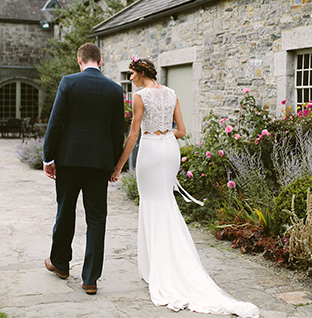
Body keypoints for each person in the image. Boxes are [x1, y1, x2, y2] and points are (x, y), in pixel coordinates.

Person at [111, 57, 259, 318]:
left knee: (152, 203)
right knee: (165, 201)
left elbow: (133, 135)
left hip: (150, 151)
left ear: (142, 72)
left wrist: (118, 167)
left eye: (132, 73)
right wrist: (165, 134)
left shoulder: (140, 96)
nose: (131, 77)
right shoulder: (172, 93)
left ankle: (156, 269)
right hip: (170, 150)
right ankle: (165, 262)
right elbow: (181, 130)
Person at [42, 43, 125, 295]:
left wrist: (48, 157)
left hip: (69, 159)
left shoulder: (68, 82)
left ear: (79, 60)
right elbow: (117, 131)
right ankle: (90, 279)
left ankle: (61, 264)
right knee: (97, 218)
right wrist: (114, 164)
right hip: (100, 163)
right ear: (100, 62)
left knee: (65, 210)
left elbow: (56, 121)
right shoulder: (115, 89)